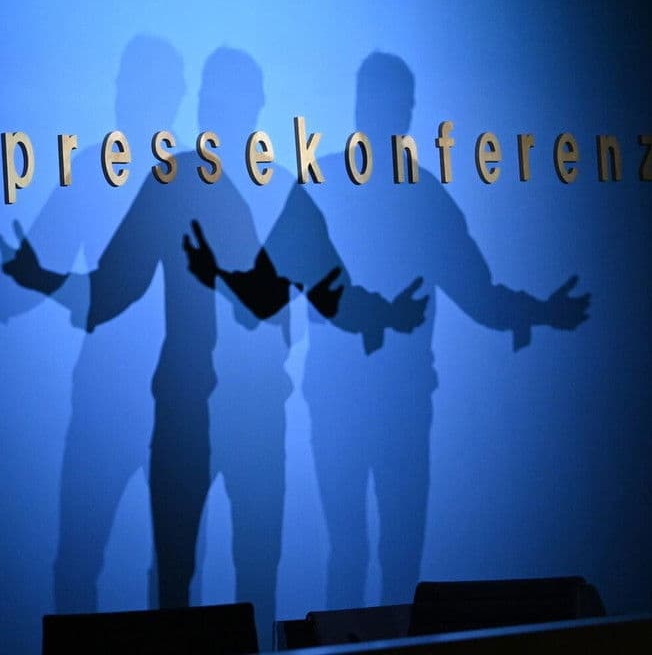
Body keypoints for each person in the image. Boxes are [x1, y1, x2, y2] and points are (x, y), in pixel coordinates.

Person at [186, 51, 591, 608]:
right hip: (358, 400)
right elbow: (267, 289)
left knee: (377, 555)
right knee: (369, 554)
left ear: (401, 111)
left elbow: (476, 292)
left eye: (387, 102)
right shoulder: (371, 189)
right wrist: (539, 312)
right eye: (375, 101)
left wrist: (537, 312)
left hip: (384, 400)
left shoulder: (381, 190)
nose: (380, 113)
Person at [3, 47, 320, 647]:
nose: (212, 110)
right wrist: (42, 279)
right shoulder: (174, 182)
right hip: (187, 409)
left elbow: (301, 304)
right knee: (177, 578)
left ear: (256, 106)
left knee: (248, 573)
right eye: (208, 97)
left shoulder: (277, 189)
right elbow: (115, 286)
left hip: (242, 411)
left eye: (226, 98)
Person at [0, 35, 179, 614]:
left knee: (127, 565)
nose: (124, 94)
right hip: (127, 399)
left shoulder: (171, 179)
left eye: (137, 83)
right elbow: (24, 284)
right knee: (103, 563)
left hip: (159, 398)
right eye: (124, 81)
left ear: (169, 98)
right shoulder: (107, 173)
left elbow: (28, 284)